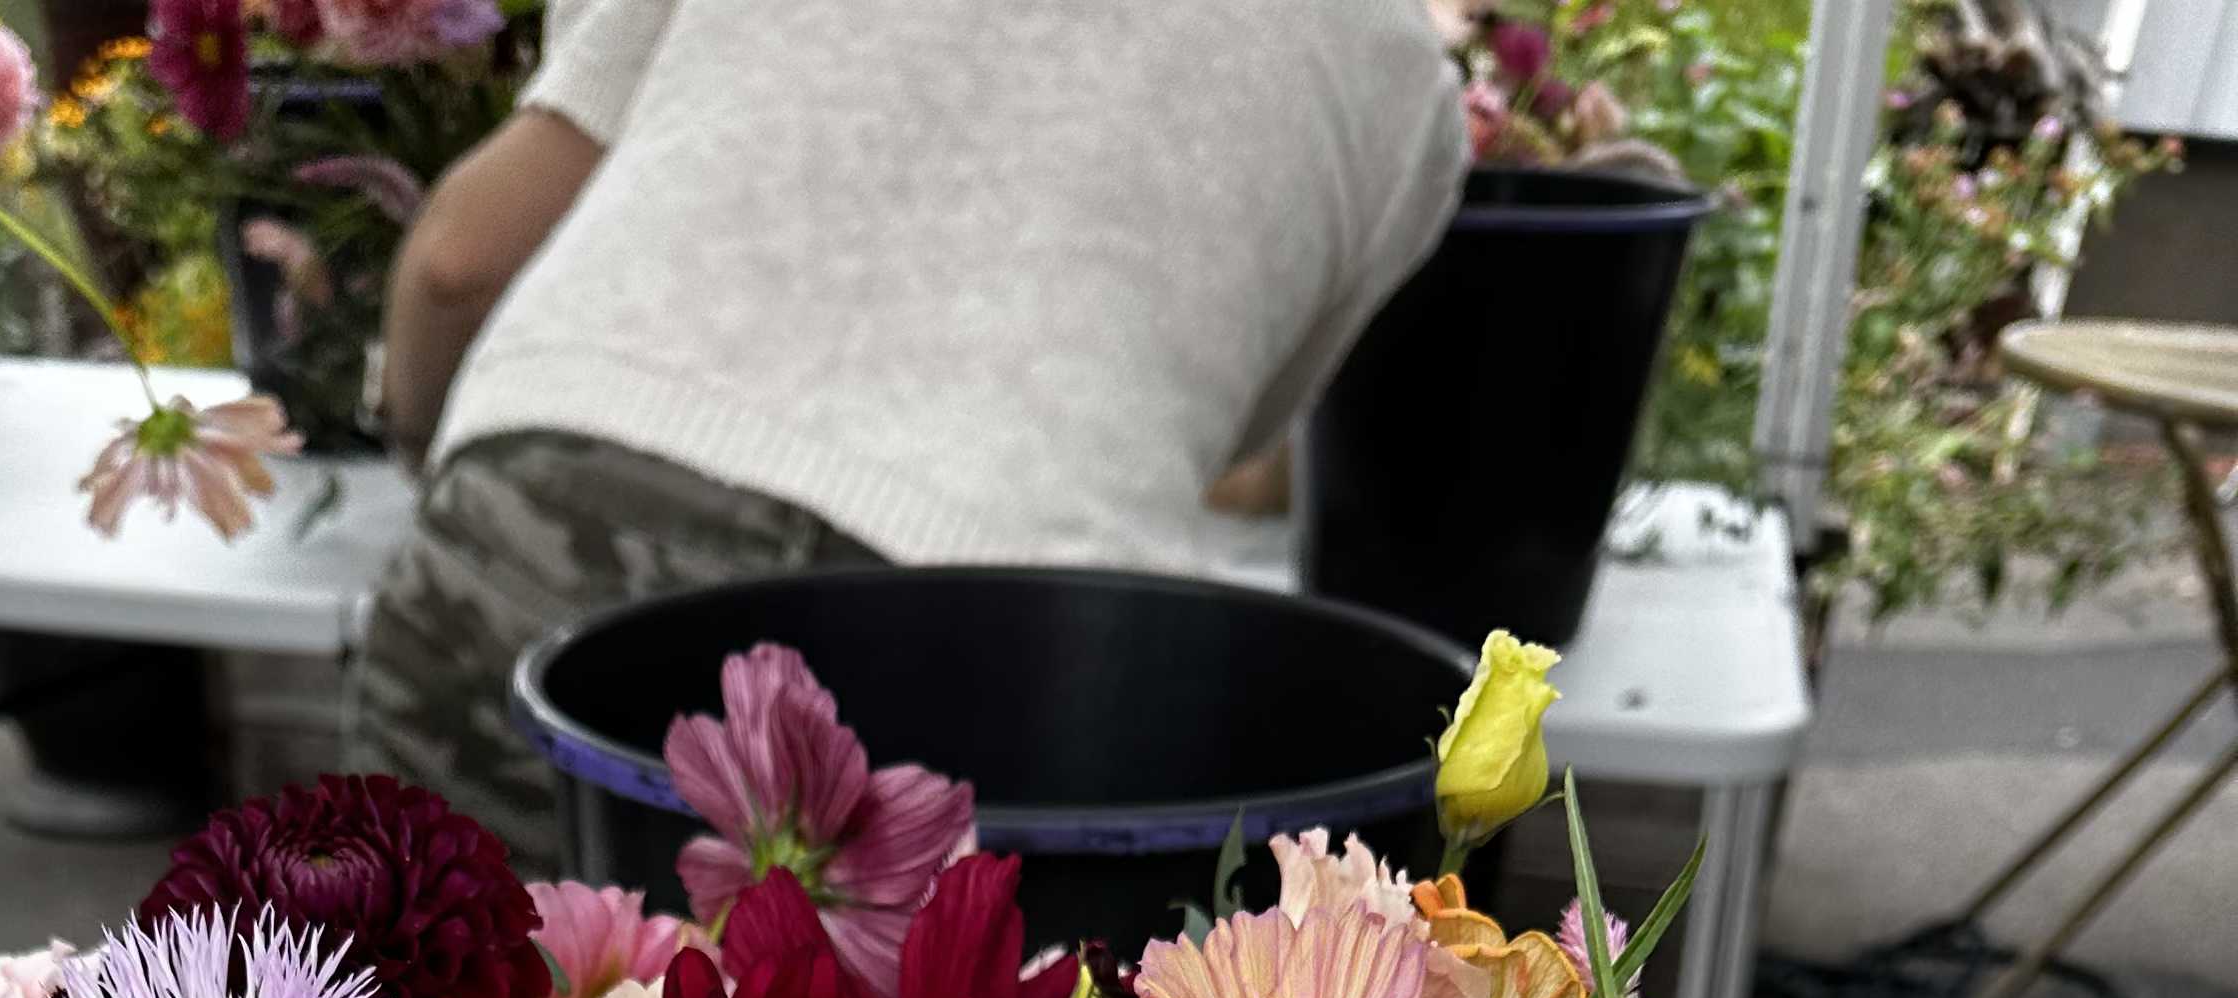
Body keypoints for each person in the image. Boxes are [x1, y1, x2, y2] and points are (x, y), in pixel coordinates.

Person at [355, 0, 1468, 858]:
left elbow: (460, 261)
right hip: (1001, 652)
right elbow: (1233, 440)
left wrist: (418, 440)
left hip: (550, 530)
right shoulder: (1398, 78)